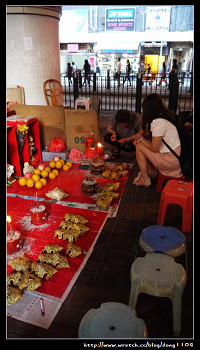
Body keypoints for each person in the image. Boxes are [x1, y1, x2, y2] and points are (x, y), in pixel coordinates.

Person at [132, 93, 182, 187]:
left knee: (139, 146)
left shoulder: (158, 122)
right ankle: (151, 172)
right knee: (143, 144)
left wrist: (140, 139)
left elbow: (154, 148)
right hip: (178, 157)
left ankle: (145, 179)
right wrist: (143, 138)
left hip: (171, 161)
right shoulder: (165, 115)